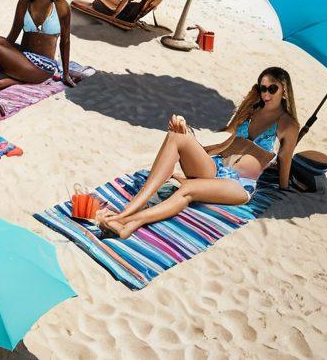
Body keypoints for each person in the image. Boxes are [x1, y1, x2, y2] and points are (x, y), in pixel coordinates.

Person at [95, 67, 298, 239]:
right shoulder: (253, 111)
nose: (266, 94)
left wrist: (283, 187)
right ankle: (128, 211)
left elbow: (285, 159)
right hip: (216, 166)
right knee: (176, 135)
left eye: (272, 89)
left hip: (238, 184)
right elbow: (229, 143)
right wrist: (192, 144)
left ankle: (127, 223)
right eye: (263, 88)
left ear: (284, 91)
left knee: (188, 188)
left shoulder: (288, 124)